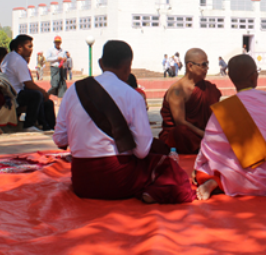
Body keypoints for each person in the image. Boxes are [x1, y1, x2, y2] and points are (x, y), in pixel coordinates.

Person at [53, 40, 196, 203]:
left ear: (100, 63)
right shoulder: (132, 95)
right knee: (167, 167)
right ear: (129, 67)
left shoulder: (74, 90)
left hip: (82, 181)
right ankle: (153, 192)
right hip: (118, 180)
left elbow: (60, 139)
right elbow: (142, 151)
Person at [195, 54, 266, 200]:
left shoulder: (226, 109)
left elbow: (209, 145)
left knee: (203, 172)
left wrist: (198, 167)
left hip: (235, 178)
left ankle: (218, 181)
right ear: (254, 77)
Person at [158, 48, 222, 154]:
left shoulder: (208, 88)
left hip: (204, 133)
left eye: (207, 64)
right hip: (187, 136)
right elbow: (180, 122)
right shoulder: (177, 90)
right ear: (190, 66)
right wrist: (204, 134)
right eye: (203, 65)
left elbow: (216, 115)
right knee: (181, 132)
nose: (207, 68)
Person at [0, 35, 49, 132]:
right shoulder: (18, 60)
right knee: (37, 95)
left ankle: (45, 125)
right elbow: (28, 83)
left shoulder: (9, 56)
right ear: (20, 47)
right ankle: (29, 125)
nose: (31, 50)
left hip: (10, 91)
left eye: (32, 47)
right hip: (14, 94)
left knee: (47, 102)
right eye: (29, 46)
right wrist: (43, 91)